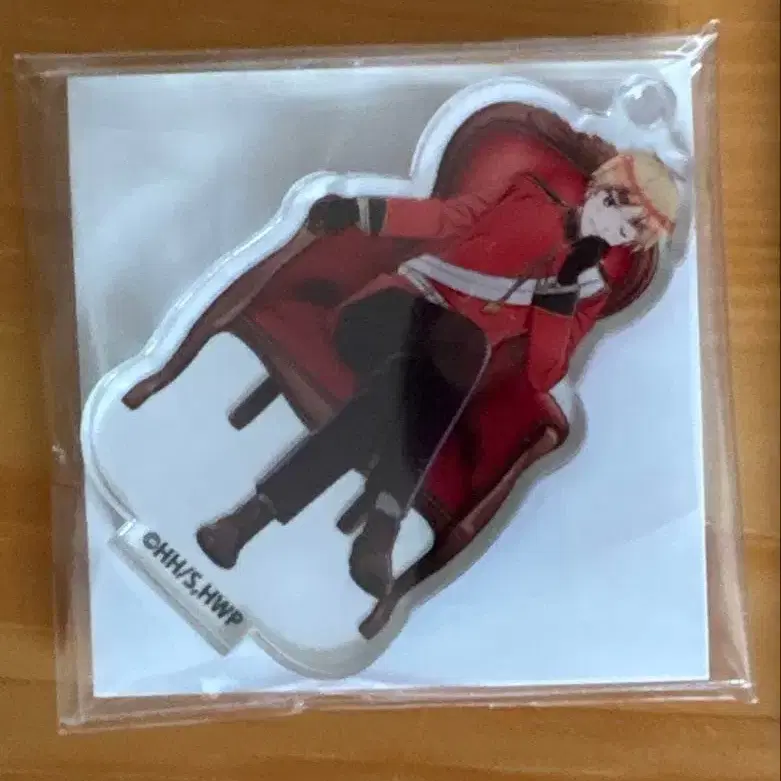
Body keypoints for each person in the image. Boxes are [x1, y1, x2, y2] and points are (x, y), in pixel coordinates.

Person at [195, 150, 679, 599]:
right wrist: (361, 211)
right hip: (385, 315)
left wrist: (563, 290)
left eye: (628, 228)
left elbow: (543, 372)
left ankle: (249, 519)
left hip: (433, 371)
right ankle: (384, 523)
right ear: (594, 188)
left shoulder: (588, 291)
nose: (610, 224)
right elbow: (444, 217)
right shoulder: (526, 193)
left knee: (407, 384)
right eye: (612, 203)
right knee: (466, 349)